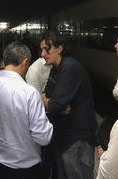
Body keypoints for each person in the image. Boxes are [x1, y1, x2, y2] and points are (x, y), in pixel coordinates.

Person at [0, 42, 53, 179]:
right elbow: (43, 137)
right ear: (25, 62)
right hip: (23, 169)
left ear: (5, 61)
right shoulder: (30, 93)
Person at [40, 32, 97, 179]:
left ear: (60, 48)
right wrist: (53, 104)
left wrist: (53, 104)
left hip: (77, 138)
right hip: (65, 135)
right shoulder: (56, 68)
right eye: (42, 50)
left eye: (47, 49)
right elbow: (47, 98)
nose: (42, 54)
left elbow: (53, 105)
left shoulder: (70, 67)